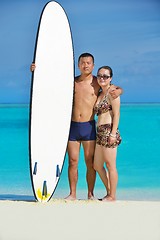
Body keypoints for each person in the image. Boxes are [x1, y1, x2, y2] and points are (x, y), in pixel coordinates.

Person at [30, 53, 123, 200]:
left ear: (93, 65)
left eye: (88, 62)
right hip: (72, 127)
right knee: (73, 161)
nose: (85, 65)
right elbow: (52, 85)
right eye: (82, 62)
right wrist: (38, 71)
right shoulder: (71, 82)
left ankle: (90, 194)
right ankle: (73, 194)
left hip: (89, 127)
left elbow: (113, 88)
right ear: (78, 65)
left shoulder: (97, 82)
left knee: (90, 162)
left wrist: (119, 90)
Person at [93, 66, 121, 201]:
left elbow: (116, 114)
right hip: (99, 132)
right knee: (97, 165)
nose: (102, 78)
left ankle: (112, 196)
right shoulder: (100, 93)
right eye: (99, 76)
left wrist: (113, 134)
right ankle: (109, 192)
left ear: (110, 78)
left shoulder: (113, 92)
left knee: (110, 165)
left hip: (109, 130)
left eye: (105, 76)